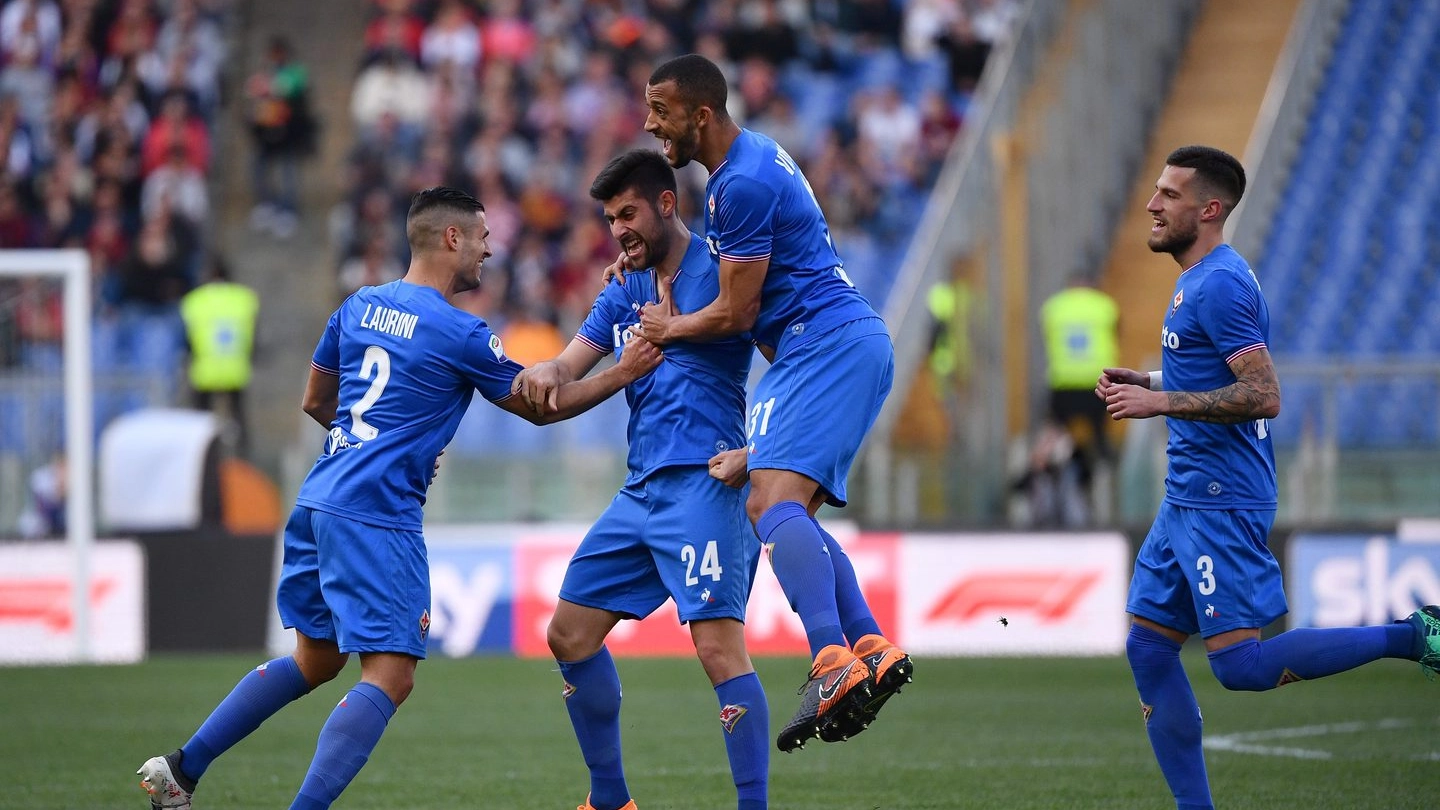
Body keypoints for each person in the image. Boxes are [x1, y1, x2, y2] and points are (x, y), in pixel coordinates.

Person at [136, 187, 661, 810]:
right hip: (376, 516)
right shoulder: (463, 333)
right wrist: (624, 372)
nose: (491, 249)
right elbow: (540, 409)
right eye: (483, 237)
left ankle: (181, 769)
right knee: (390, 675)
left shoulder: (358, 306)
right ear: (451, 239)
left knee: (316, 659)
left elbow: (315, 401)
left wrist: (367, 446)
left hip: (319, 500)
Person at [1096, 145, 1440, 810]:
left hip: (1221, 500)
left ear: (1210, 209)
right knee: (1148, 647)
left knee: (1242, 668)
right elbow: (1217, 374)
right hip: (1186, 498)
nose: (1152, 203)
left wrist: (1159, 403)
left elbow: (1264, 394)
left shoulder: (1219, 283)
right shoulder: (1198, 278)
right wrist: (1155, 380)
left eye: (1169, 194)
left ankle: (1411, 634)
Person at [634, 52, 912, 753]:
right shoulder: (752, 165)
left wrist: (669, 328)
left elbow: (735, 311)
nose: (650, 124)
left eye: (660, 111)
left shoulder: (742, 183)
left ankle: (829, 659)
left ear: (700, 113)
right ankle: (868, 646)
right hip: (831, 345)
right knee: (790, 507)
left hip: (823, 343)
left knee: (767, 503)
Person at [514, 149, 768, 810]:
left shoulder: (727, 272)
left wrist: (762, 449)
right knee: (568, 632)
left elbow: (792, 365)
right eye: (608, 218)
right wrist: (546, 372)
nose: (618, 228)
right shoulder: (622, 287)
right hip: (641, 491)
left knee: (718, 651)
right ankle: (609, 800)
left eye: (627, 213)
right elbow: (569, 367)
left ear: (664, 203)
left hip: (708, 485)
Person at [1036, 271, 1118, 526]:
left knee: (1056, 437)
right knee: (1098, 440)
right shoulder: (1105, 306)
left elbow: (1049, 338)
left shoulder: (1053, 307)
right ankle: (1101, 484)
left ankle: (1046, 488)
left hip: (1063, 384)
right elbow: (1115, 333)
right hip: (1097, 382)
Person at [178, 253, 259, 454]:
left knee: (201, 423)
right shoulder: (244, 298)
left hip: (205, 370)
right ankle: (244, 458)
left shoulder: (194, 300)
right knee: (238, 417)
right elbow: (252, 334)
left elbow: (187, 339)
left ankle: (202, 458)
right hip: (235, 368)